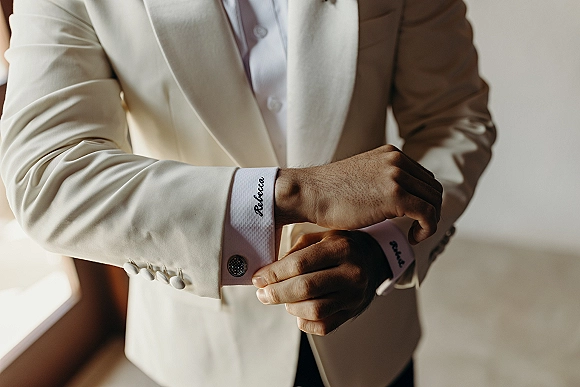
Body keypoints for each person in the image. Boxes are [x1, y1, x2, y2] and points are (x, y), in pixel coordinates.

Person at [0, 0, 496, 386]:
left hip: (371, 332)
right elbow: (44, 175)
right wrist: (300, 192)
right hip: (199, 347)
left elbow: (455, 117)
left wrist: (386, 248)